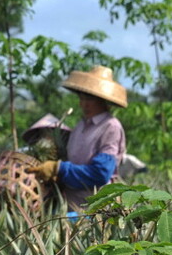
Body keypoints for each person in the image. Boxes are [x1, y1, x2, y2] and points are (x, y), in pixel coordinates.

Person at [27, 65, 127, 212]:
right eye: (82, 97)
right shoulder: (80, 126)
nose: (83, 104)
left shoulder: (110, 127)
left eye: (90, 98)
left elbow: (101, 173)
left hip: (94, 210)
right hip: (69, 205)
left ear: (102, 100)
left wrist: (59, 168)